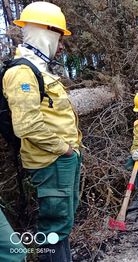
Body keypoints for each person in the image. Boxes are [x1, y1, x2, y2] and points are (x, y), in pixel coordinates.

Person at [2, 2, 82, 261]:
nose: (60, 46)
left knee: (64, 223)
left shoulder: (40, 69)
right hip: (51, 160)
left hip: (61, 160)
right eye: (59, 38)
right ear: (45, 32)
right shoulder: (22, 72)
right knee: (54, 227)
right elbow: (27, 125)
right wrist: (65, 149)